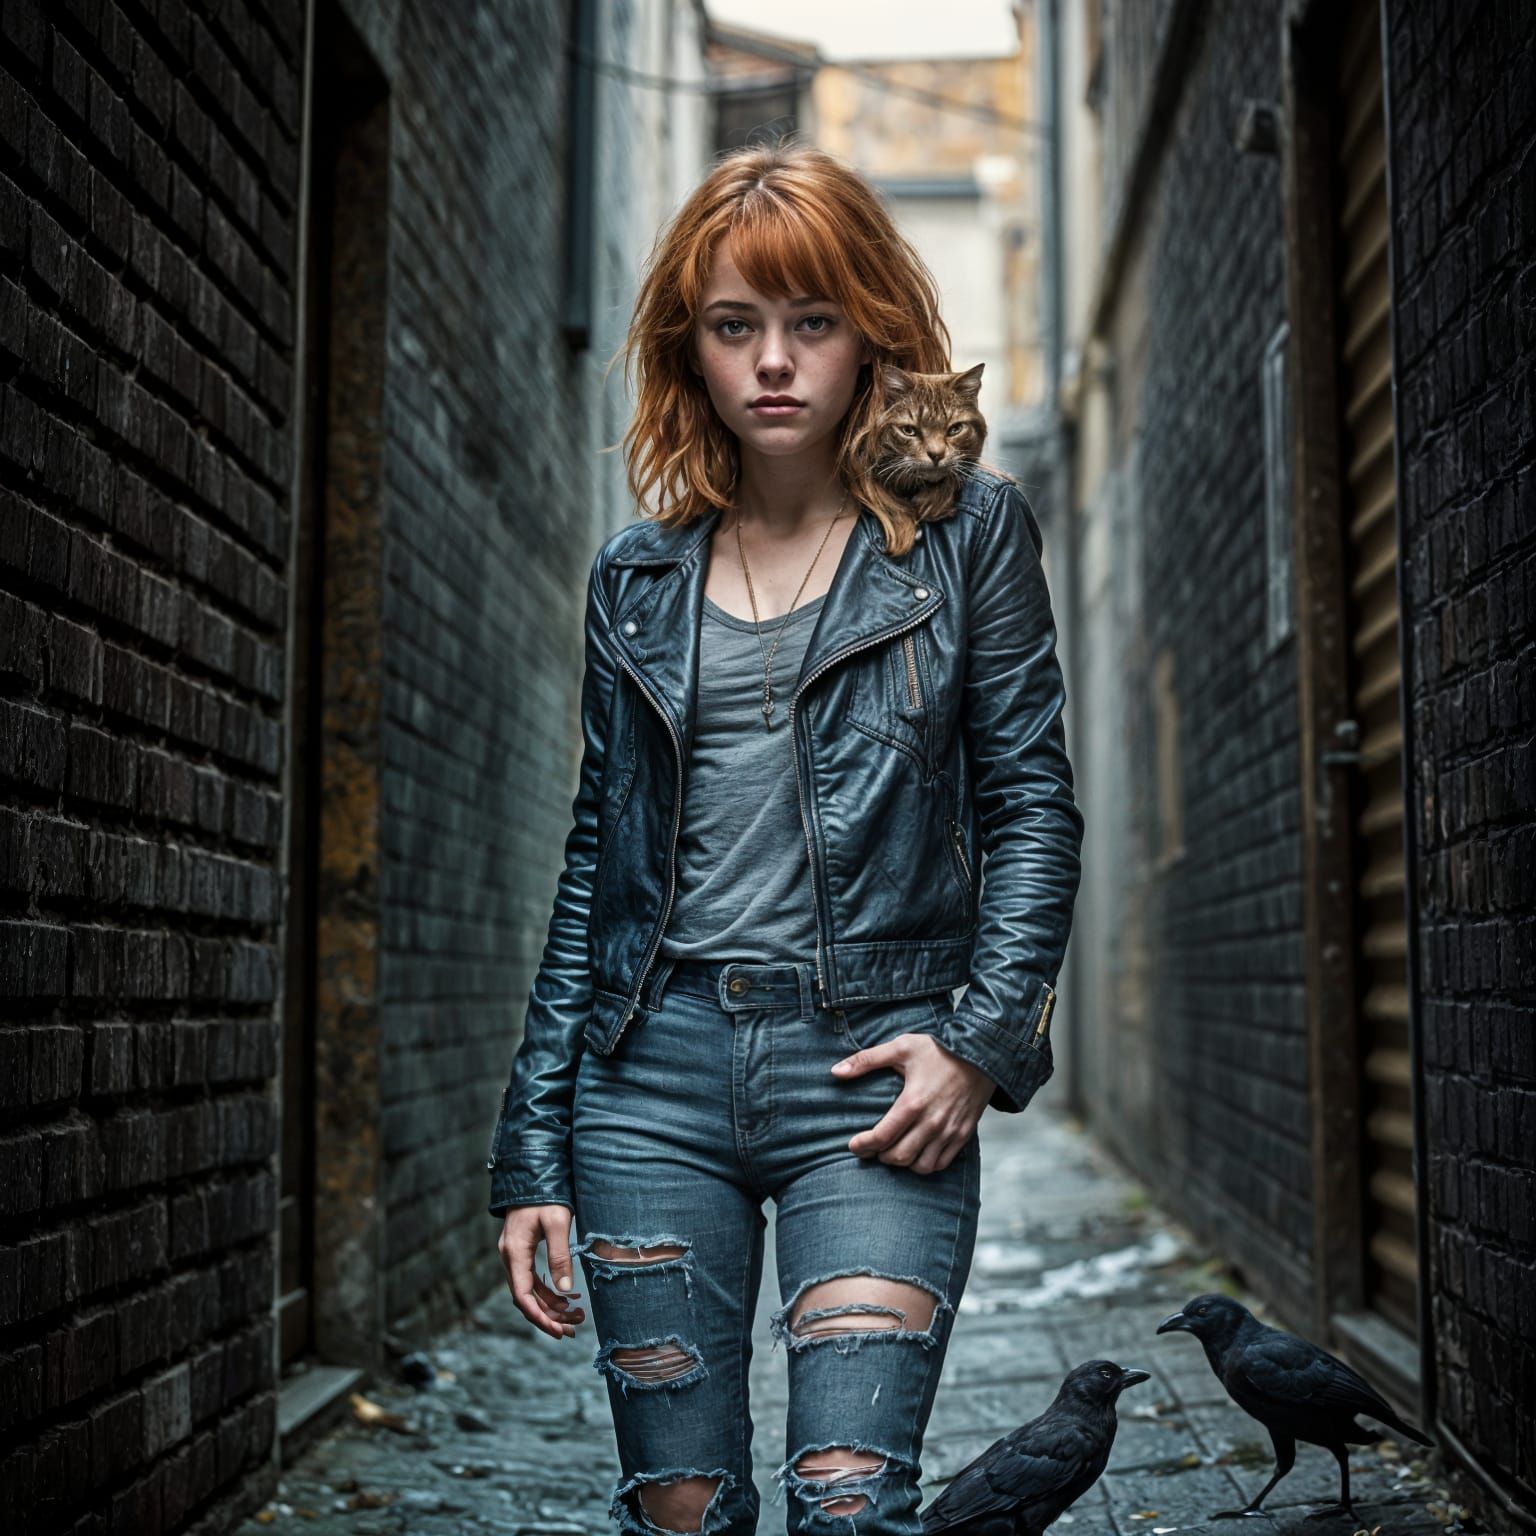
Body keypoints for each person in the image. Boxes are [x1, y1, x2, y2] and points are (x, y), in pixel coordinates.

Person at [487, 138, 1084, 1536]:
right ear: (685, 344)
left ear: (871, 330)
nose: (773, 360)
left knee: (851, 1504)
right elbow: (597, 863)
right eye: (734, 323)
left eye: (811, 322)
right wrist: (536, 1144)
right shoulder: (636, 578)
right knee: (680, 1514)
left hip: (866, 1083)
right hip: (649, 1089)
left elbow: (1030, 805)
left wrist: (982, 1039)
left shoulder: (964, 540)